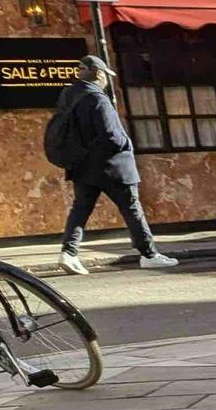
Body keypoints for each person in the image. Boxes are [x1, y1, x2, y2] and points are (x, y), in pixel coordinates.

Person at [45, 54, 177, 274]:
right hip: (112, 167)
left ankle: (68, 253)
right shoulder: (98, 98)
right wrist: (126, 142)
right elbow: (112, 136)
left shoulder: (68, 95)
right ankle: (149, 254)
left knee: (81, 210)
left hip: (82, 165)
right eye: (106, 75)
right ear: (98, 73)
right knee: (132, 208)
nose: (107, 80)